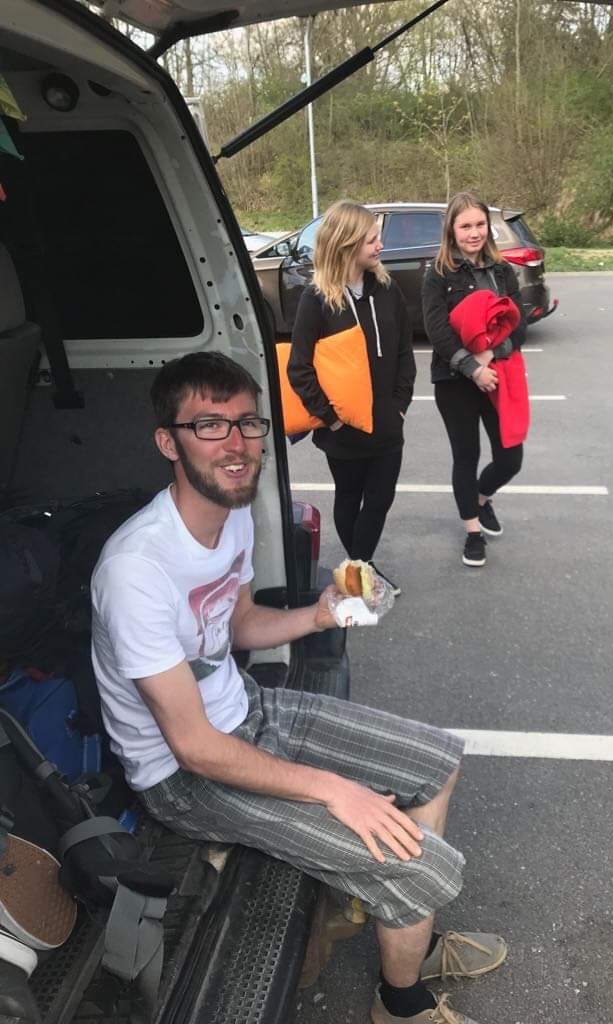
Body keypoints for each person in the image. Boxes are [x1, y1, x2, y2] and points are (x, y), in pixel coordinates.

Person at [90, 351, 506, 1024]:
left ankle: (410, 928)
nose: (237, 444)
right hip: (180, 775)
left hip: (245, 710)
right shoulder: (136, 568)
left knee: (440, 764)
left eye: (248, 423)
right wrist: (335, 789)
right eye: (210, 426)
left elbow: (239, 623)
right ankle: (400, 1003)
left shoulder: (233, 513)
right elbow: (194, 747)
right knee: (417, 867)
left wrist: (321, 613)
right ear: (168, 442)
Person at [287, 200, 415, 597]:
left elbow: (404, 352)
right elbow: (299, 368)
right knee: (349, 497)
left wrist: (399, 405)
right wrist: (331, 418)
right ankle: (362, 574)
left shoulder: (387, 289)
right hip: (342, 428)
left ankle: (359, 570)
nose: (380, 246)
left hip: (387, 423)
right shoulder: (316, 299)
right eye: (371, 239)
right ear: (345, 244)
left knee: (380, 499)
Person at [422, 192, 527, 569]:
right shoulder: (438, 273)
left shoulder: (502, 271)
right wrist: (472, 368)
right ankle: (472, 532)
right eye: (465, 226)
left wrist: (488, 358)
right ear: (451, 229)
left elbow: (519, 324)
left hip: (497, 375)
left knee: (510, 457)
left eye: (480, 224)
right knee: (466, 455)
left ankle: (481, 499)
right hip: (454, 380)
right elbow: (437, 330)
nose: (474, 233)